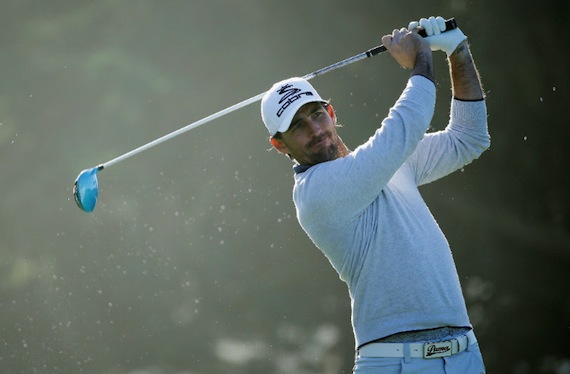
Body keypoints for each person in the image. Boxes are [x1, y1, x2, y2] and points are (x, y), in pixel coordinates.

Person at [261, 16, 489, 373]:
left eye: (317, 115)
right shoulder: (315, 193)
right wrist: (421, 58)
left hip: (464, 356)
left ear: (331, 112)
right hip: (394, 363)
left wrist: (456, 50)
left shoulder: (386, 162)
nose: (316, 130)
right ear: (279, 145)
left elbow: (468, 138)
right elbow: (404, 126)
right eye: (298, 127)